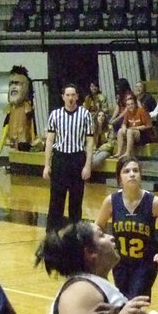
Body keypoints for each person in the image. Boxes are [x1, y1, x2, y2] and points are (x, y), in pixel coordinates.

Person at [95, 156, 158, 300]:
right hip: (120, 263)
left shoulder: (154, 203)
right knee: (126, 305)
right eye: (126, 171)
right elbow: (97, 226)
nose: (132, 174)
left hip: (145, 263)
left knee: (135, 302)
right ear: (119, 178)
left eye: (135, 170)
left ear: (141, 175)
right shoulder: (111, 201)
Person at [43, 81, 95, 232]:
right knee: (56, 200)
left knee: (76, 201)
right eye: (67, 95)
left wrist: (87, 165)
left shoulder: (85, 115)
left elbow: (90, 142)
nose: (70, 98)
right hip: (60, 159)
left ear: (77, 97)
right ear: (63, 97)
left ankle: (74, 235)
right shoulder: (55, 115)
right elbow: (50, 141)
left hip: (77, 159)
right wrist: (47, 165)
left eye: (73, 95)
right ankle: (52, 235)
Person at [113, 92, 154, 161]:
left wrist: (134, 128)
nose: (130, 106)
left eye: (132, 104)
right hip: (132, 132)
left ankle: (128, 153)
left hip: (144, 134)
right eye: (128, 105)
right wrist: (124, 127)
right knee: (120, 131)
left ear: (135, 104)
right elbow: (124, 123)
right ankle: (119, 152)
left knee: (129, 131)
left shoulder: (141, 111)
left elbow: (148, 126)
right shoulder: (127, 112)